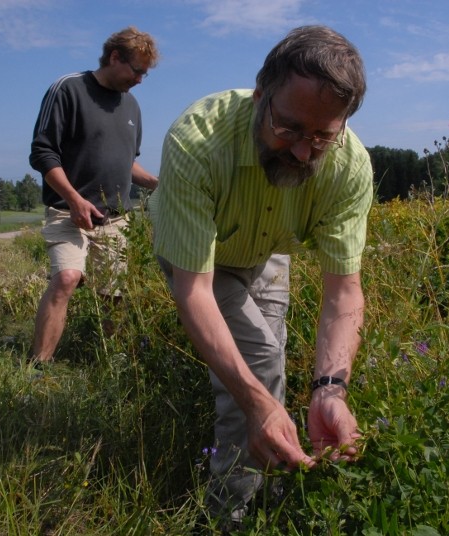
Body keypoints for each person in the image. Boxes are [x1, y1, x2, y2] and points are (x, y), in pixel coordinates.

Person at [149, 25, 373, 520]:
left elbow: (343, 292)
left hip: (267, 247)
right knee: (261, 372)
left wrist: (330, 390)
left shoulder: (349, 168)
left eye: (321, 137)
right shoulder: (199, 140)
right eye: (289, 128)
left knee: (268, 366)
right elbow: (195, 287)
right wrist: (256, 402)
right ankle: (230, 515)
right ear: (259, 96)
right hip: (196, 253)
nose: (300, 151)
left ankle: (268, 487)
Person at [29, 26, 159, 364]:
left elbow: (127, 164)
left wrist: (161, 184)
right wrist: (74, 199)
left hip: (115, 219)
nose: (141, 80)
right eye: (137, 71)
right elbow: (43, 154)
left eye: (145, 73)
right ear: (115, 57)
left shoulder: (131, 106)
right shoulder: (68, 89)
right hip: (67, 211)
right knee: (66, 279)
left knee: (113, 296)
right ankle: (37, 367)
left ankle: (112, 362)